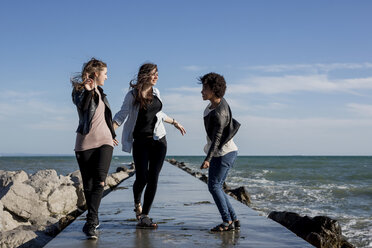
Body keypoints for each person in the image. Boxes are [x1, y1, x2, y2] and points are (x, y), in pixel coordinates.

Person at [113, 63, 186, 229]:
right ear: (145, 75)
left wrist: (174, 122)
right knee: (142, 177)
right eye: (154, 74)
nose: (157, 77)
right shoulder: (132, 95)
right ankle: (137, 202)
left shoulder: (157, 92)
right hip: (141, 142)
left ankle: (145, 215)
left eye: (157, 74)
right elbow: (121, 115)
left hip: (159, 140)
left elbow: (159, 114)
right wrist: (110, 132)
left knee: (153, 177)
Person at [71, 58, 118, 239]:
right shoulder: (79, 90)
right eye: (105, 73)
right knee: (88, 185)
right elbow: (81, 107)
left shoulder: (103, 93)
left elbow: (105, 117)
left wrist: (111, 136)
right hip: (84, 144)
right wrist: (89, 92)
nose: (107, 76)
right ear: (96, 73)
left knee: (100, 181)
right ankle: (92, 220)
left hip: (105, 142)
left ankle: (91, 221)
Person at [199, 72, 241, 232]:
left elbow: (217, 138)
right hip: (222, 152)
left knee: (214, 186)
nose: (202, 91)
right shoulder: (214, 105)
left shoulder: (219, 113)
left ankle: (227, 222)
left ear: (214, 90)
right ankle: (234, 219)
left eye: (205, 88)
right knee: (216, 186)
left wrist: (207, 159)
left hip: (224, 152)